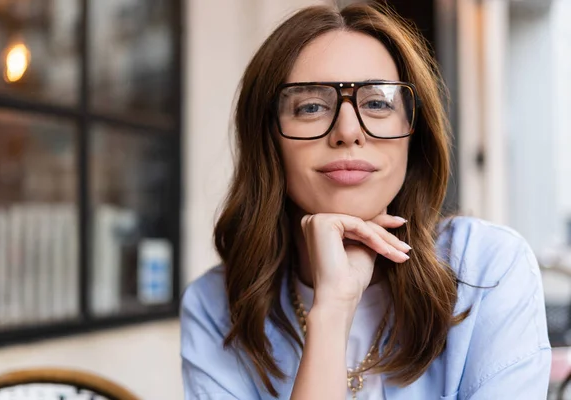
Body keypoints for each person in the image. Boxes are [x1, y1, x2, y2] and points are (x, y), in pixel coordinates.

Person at [180, 2, 551, 399]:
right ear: (267, 138)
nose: (347, 130)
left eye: (377, 103)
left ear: (414, 133)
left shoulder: (488, 267)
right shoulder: (214, 306)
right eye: (310, 106)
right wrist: (331, 311)